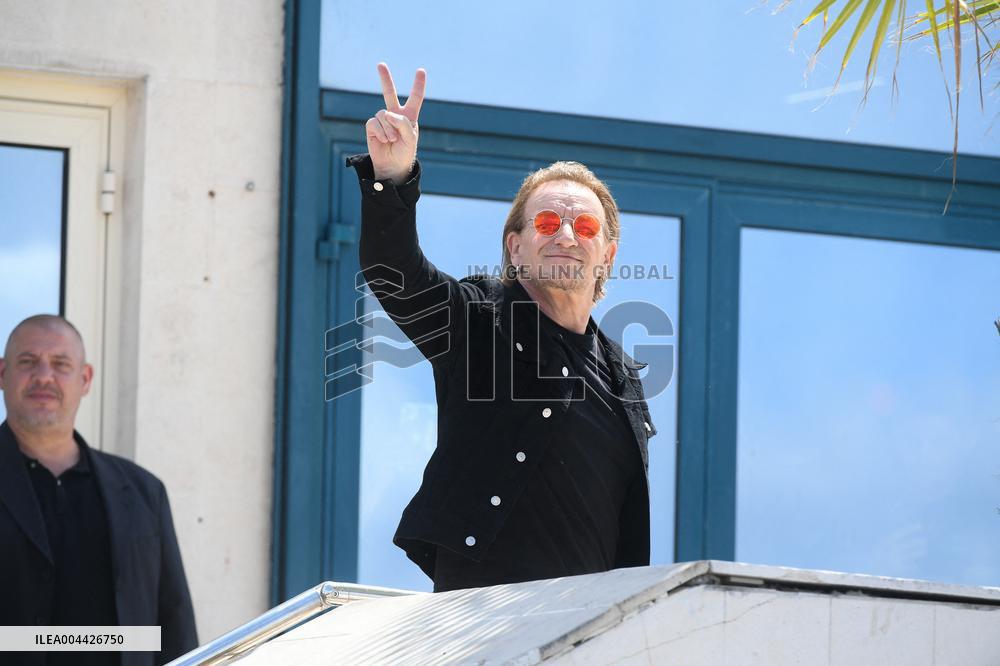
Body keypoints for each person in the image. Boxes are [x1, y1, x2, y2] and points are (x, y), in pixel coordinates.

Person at [350, 64, 658, 592]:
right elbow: (396, 274)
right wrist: (393, 178)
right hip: (482, 624)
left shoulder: (623, 378)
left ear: (606, 256)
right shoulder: (479, 320)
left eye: (584, 227)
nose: (564, 235)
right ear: (515, 246)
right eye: (545, 223)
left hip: (591, 632)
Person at [0, 315, 197, 665]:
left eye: (60, 364)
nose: (44, 376)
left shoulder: (143, 493)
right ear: (2, 374)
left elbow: (174, 626)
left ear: (85, 379)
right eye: (28, 362)